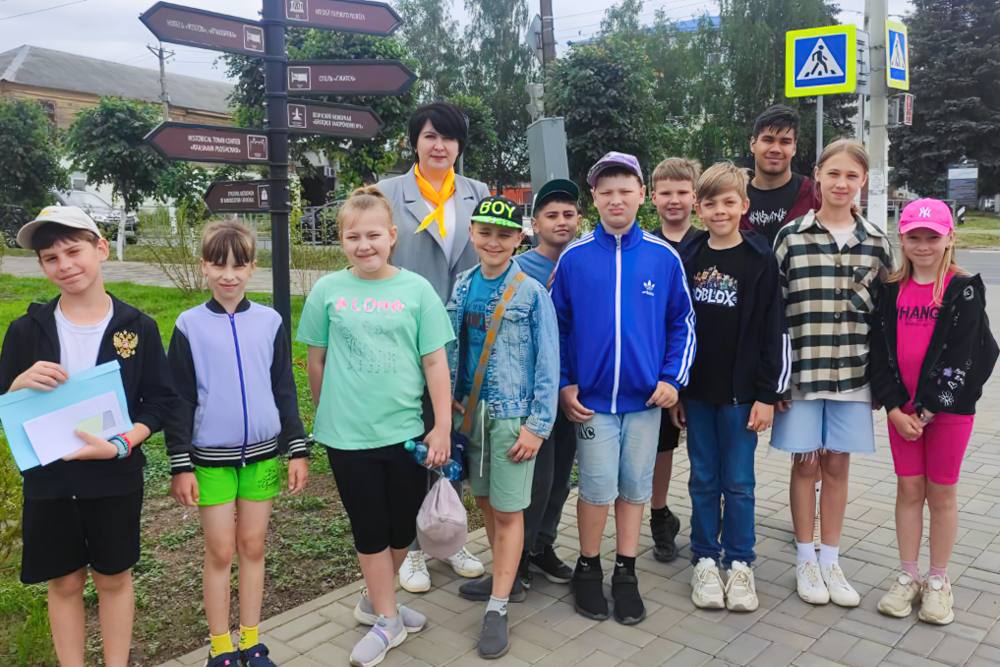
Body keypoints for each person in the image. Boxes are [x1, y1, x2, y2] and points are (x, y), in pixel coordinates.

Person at [0, 206, 174, 667]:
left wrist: (121, 444)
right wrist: (16, 386)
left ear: (100, 249)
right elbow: (4, 402)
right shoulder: (25, 332)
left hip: (113, 478)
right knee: (64, 581)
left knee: (114, 578)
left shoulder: (137, 327)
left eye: (73, 251)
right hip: (50, 481)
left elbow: (160, 402)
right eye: (51, 258)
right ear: (42, 266)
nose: (65, 265)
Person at [297, 187, 453, 666]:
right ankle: (387, 619)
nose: (363, 245)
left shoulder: (417, 291)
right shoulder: (327, 291)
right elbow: (316, 361)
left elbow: (435, 363)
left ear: (392, 236)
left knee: (401, 528)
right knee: (369, 528)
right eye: (353, 237)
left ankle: (374, 601)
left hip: (405, 432)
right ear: (341, 240)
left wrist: (442, 426)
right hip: (347, 437)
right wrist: (327, 413)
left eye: (373, 235)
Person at [551, 152, 696, 625]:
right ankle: (588, 568)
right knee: (596, 489)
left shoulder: (662, 256)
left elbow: (682, 323)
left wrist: (672, 379)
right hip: (592, 403)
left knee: (634, 488)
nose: (617, 200)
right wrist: (565, 383)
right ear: (594, 197)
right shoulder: (575, 258)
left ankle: (626, 571)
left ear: (641, 196)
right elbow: (558, 327)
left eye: (625, 191)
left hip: (644, 402)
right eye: (607, 192)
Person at [166, 221, 310, 667]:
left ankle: (250, 641)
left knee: (253, 546)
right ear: (203, 267)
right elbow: (179, 398)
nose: (228, 275)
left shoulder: (270, 321)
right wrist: (180, 464)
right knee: (220, 551)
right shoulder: (188, 325)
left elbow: (283, 387)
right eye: (218, 264)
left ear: (252, 267)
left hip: (263, 457)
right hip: (210, 461)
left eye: (238, 265)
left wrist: (297, 447)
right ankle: (220, 646)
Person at [771, 139, 894, 608]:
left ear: (863, 181)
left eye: (852, 176)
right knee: (805, 463)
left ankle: (831, 559)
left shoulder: (876, 242)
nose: (842, 184)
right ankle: (805, 558)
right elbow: (774, 313)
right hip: (802, 375)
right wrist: (776, 379)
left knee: (838, 464)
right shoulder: (791, 237)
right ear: (818, 175)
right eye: (834, 173)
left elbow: (884, 321)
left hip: (853, 376)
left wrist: (883, 383)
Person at [377, 101, 489, 590]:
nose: (439, 146)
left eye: (448, 137)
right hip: (405, 337)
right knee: (415, 437)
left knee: (453, 436)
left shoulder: (477, 193)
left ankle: (450, 535)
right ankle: (414, 548)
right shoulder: (387, 194)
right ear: (415, 143)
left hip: (462, 336)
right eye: (429, 136)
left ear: (459, 145)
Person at [870, 199, 997, 625]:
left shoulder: (963, 289)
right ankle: (908, 575)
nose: (923, 246)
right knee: (909, 490)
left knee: (941, 494)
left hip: (948, 413)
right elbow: (879, 353)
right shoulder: (890, 289)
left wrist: (926, 411)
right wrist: (894, 407)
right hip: (902, 413)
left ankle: (939, 580)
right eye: (914, 237)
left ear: (949, 238)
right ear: (901, 239)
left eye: (932, 237)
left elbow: (966, 356)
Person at [671, 162, 788, 612]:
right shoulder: (689, 257)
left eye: (728, 202)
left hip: (743, 396)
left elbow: (773, 330)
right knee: (703, 477)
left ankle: (740, 562)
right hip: (698, 392)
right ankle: (704, 558)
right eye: (710, 203)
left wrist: (767, 395)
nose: (719, 211)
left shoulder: (760, 260)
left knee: (738, 481)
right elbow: (674, 325)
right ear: (698, 210)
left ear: (744, 205)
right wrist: (678, 388)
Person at [448, 195, 559, 658]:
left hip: (513, 416)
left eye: (504, 234)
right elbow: (452, 348)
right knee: (487, 503)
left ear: (519, 239)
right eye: (485, 233)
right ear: (472, 234)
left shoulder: (531, 292)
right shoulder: (462, 284)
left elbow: (549, 362)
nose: (493, 242)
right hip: (470, 415)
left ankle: (498, 606)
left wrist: (537, 426)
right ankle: (503, 578)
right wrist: (447, 404)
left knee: (510, 510)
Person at [515, 178, 581, 590]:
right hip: (532, 392)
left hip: (571, 389)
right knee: (534, 480)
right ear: (535, 224)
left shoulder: (584, 261)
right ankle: (517, 555)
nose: (561, 222)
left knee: (560, 477)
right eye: (551, 215)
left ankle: (543, 545)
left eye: (569, 214)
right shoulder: (520, 269)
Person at [647, 157, 706, 562]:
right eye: (665, 193)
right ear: (652, 197)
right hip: (661, 367)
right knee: (661, 447)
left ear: (695, 197)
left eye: (682, 192)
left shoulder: (709, 242)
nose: (674, 200)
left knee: (705, 450)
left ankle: (708, 521)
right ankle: (659, 515)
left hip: (706, 365)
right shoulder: (646, 246)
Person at [740, 105, 821, 246]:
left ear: (794, 148)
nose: (776, 149)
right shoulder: (734, 197)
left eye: (785, 142)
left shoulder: (815, 196)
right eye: (768, 140)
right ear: (753, 144)